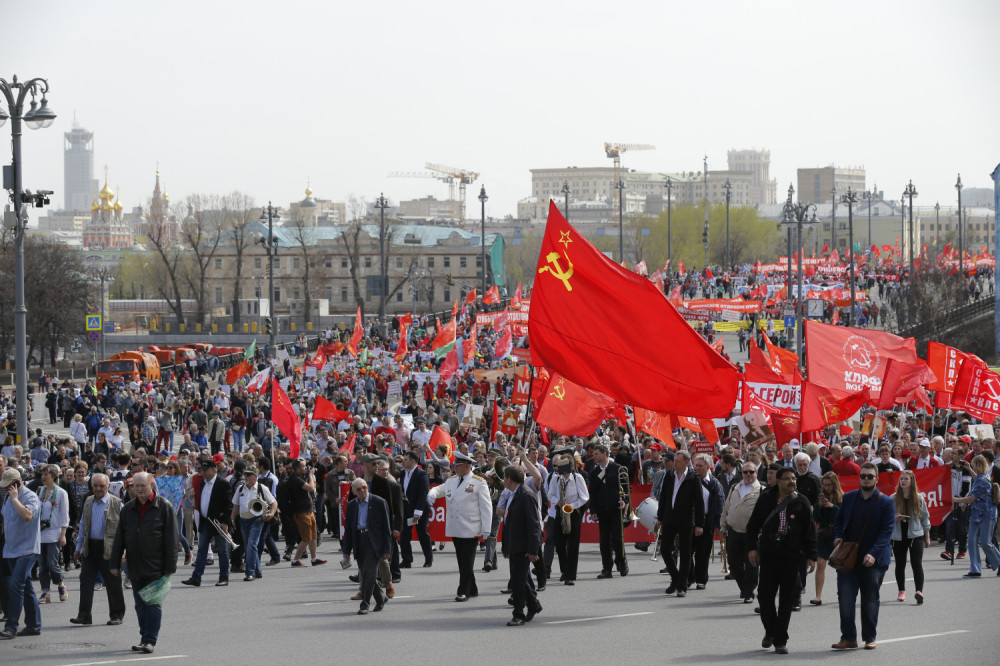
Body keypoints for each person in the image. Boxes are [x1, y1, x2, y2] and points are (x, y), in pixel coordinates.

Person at [746, 466, 817, 655]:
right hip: (769, 555)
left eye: (793, 478)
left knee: (787, 600)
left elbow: (810, 531)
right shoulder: (766, 499)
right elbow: (753, 525)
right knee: (765, 597)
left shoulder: (801, 501)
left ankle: (780, 640)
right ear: (777, 481)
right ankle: (771, 631)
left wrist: (811, 556)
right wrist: (751, 549)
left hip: (792, 556)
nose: (792, 481)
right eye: (787, 478)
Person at [109, 472, 178, 654]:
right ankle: (144, 637)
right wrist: (115, 563)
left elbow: (172, 538)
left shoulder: (164, 506)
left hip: (156, 566)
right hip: (134, 565)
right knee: (140, 605)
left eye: (142, 485)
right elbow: (120, 538)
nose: (138, 489)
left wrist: (170, 567)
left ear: (152, 485)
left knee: (152, 604)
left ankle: (149, 640)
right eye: (136, 486)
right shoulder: (128, 509)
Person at [831, 462, 894, 651]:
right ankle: (848, 638)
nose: (866, 479)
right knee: (845, 599)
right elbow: (838, 521)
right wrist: (838, 536)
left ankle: (869, 637)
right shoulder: (849, 498)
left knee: (870, 599)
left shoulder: (885, 502)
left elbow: (886, 531)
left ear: (876, 479)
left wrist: (873, 554)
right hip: (848, 558)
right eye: (863, 476)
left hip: (874, 560)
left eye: (870, 476)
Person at [425, 451, 492, 602]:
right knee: (462, 560)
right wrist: (432, 493)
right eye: (455, 465)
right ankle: (472, 588)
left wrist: (486, 529)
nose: (455, 468)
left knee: (466, 560)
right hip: (456, 527)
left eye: (458, 465)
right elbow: (440, 489)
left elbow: (486, 507)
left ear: (467, 467)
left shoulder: (478, 482)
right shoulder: (452, 480)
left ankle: (463, 591)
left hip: (471, 528)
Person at [70, 473, 126, 627]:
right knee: (86, 581)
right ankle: (84, 615)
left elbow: (125, 530)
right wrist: (78, 548)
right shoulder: (88, 501)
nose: (98, 489)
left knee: (113, 583)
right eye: (95, 486)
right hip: (90, 547)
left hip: (110, 548)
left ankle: (116, 615)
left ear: (108, 486)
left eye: (102, 486)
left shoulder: (117, 504)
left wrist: (123, 552)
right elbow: (83, 525)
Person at [654, 449, 704, 597]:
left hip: (686, 519)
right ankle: (675, 578)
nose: (674, 463)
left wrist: (699, 524)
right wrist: (660, 517)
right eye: (674, 460)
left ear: (686, 462)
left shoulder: (693, 477)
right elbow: (663, 497)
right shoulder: (669, 475)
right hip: (669, 518)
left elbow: (699, 502)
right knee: (665, 549)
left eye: (678, 461)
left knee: (685, 552)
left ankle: (682, 586)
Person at [0, 468, 42, 639]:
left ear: (17, 483)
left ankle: (11, 627)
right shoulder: (6, 497)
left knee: (15, 586)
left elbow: (27, 515)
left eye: (8, 485)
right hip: (11, 549)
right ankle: (34, 625)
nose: (6, 489)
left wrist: (15, 499)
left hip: (27, 549)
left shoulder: (30, 497)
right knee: (27, 588)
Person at [501, 465, 543, 626]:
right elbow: (508, 522)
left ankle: (518, 614)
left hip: (523, 546)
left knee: (518, 582)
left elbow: (534, 525)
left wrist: (533, 549)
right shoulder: (512, 494)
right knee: (521, 579)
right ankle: (534, 605)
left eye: (505, 477)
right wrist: (506, 546)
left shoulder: (526, 495)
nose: (503, 480)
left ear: (509, 479)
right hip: (514, 544)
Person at [342, 478, 390, 615]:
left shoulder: (379, 502)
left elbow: (386, 527)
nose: (362, 490)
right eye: (359, 489)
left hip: (374, 542)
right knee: (366, 574)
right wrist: (346, 551)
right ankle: (381, 598)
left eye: (364, 487)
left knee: (370, 573)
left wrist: (387, 549)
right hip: (359, 541)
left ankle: (365, 604)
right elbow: (348, 530)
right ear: (354, 492)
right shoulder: (352, 505)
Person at [182, 459, 233, 587]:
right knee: (202, 549)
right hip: (205, 521)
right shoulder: (203, 483)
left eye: (205, 470)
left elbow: (229, 505)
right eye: (201, 469)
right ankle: (196, 577)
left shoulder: (223, 483)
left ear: (214, 470)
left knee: (222, 551)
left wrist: (225, 522)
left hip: (218, 522)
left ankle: (224, 577)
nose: (203, 472)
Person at [720, 460, 762, 603]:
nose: (748, 474)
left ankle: (749, 591)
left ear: (756, 473)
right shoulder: (734, 488)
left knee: (751, 564)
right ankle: (744, 587)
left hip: (752, 534)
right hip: (734, 531)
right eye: (745, 472)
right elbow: (726, 508)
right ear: (741, 473)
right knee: (733, 563)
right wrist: (723, 526)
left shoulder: (761, 490)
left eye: (751, 472)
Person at [951, 455, 1000, 578]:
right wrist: (969, 468)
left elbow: (971, 498)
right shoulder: (982, 476)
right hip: (976, 514)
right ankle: (975, 569)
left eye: (973, 464)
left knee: (985, 542)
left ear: (977, 465)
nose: (972, 465)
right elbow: (976, 478)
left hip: (987, 514)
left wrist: (956, 500)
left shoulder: (982, 480)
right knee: (972, 541)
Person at [545, 448, 589, 585]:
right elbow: (550, 494)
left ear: (570, 465)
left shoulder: (577, 478)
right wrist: (557, 501)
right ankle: (564, 570)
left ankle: (570, 575)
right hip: (559, 511)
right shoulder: (555, 478)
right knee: (559, 544)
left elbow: (584, 497)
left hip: (573, 512)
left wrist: (571, 506)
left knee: (573, 545)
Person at [588, 442, 629, 579]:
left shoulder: (617, 468)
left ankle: (622, 561)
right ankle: (607, 568)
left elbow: (627, 489)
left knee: (618, 539)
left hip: (616, 510)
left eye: (596, 454)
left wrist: (624, 501)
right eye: (593, 454)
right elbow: (592, 493)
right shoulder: (594, 472)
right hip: (602, 510)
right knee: (604, 542)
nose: (594, 456)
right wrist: (593, 510)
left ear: (604, 454)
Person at [889, 470, 930, 603]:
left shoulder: (918, 497)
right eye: (901, 479)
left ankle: (919, 591)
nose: (903, 481)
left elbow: (925, 517)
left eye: (906, 479)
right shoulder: (893, 497)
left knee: (916, 563)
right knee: (900, 564)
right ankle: (901, 590)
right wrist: (895, 518)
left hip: (916, 534)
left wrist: (927, 536)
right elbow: (886, 517)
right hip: (898, 535)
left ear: (912, 481)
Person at [230, 466, 277, 582]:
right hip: (243, 520)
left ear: (255, 477)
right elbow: (235, 506)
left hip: (256, 520)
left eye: (248, 475)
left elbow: (273, 502)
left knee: (251, 544)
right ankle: (257, 569)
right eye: (245, 474)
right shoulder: (240, 488)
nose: (245, 477)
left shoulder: (262, 488)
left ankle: (250, 572)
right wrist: (232, 520)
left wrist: (271, 514)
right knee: (250, 546)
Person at [36, 465, 70, 605]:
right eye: (42, 474)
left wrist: (63, 534)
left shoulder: (61, 493)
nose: (43, 477)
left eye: (46, 474)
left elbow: (64, 515)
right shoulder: (41, 491)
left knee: (52, 562)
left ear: (54, 476)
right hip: (40, 533)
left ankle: (61, 584)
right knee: (42, 565)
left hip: (54, 533)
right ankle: (45, 591)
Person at [691, 453, 725, 590]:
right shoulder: (690, 480)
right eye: (696, 465)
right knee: (687, 551)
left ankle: (701, 579)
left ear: (707, 467)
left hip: (707, 521)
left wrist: (718, 525)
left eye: (700, 466)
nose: (697, 468)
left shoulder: (714, 483)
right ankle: (690, 576)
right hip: (691, 520)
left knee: (702, 553)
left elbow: (719, 504)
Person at [811, 472, 843, 605]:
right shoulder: (821, 496)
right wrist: (818, 506)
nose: (826, 487)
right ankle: (818, 596)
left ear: (835, 484)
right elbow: (816, 518)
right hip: (824, 534)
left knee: (840, 567)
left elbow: (844, 516)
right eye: (824, 485)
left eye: (829, 485)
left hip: (837, 534)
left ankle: (842, 592)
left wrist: (833, 507)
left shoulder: (842, 497)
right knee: (820, 563)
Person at [399, 451, 432, 569]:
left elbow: (423, 494)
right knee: (404, 535)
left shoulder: (421, 474)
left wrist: (418, 512)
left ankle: (428, 559)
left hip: (420, 509)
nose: (403, 461)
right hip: (406, 509)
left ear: (412, 461)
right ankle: (407, 560)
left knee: (422, 534)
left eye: (406, 459)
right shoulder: (403, 473)